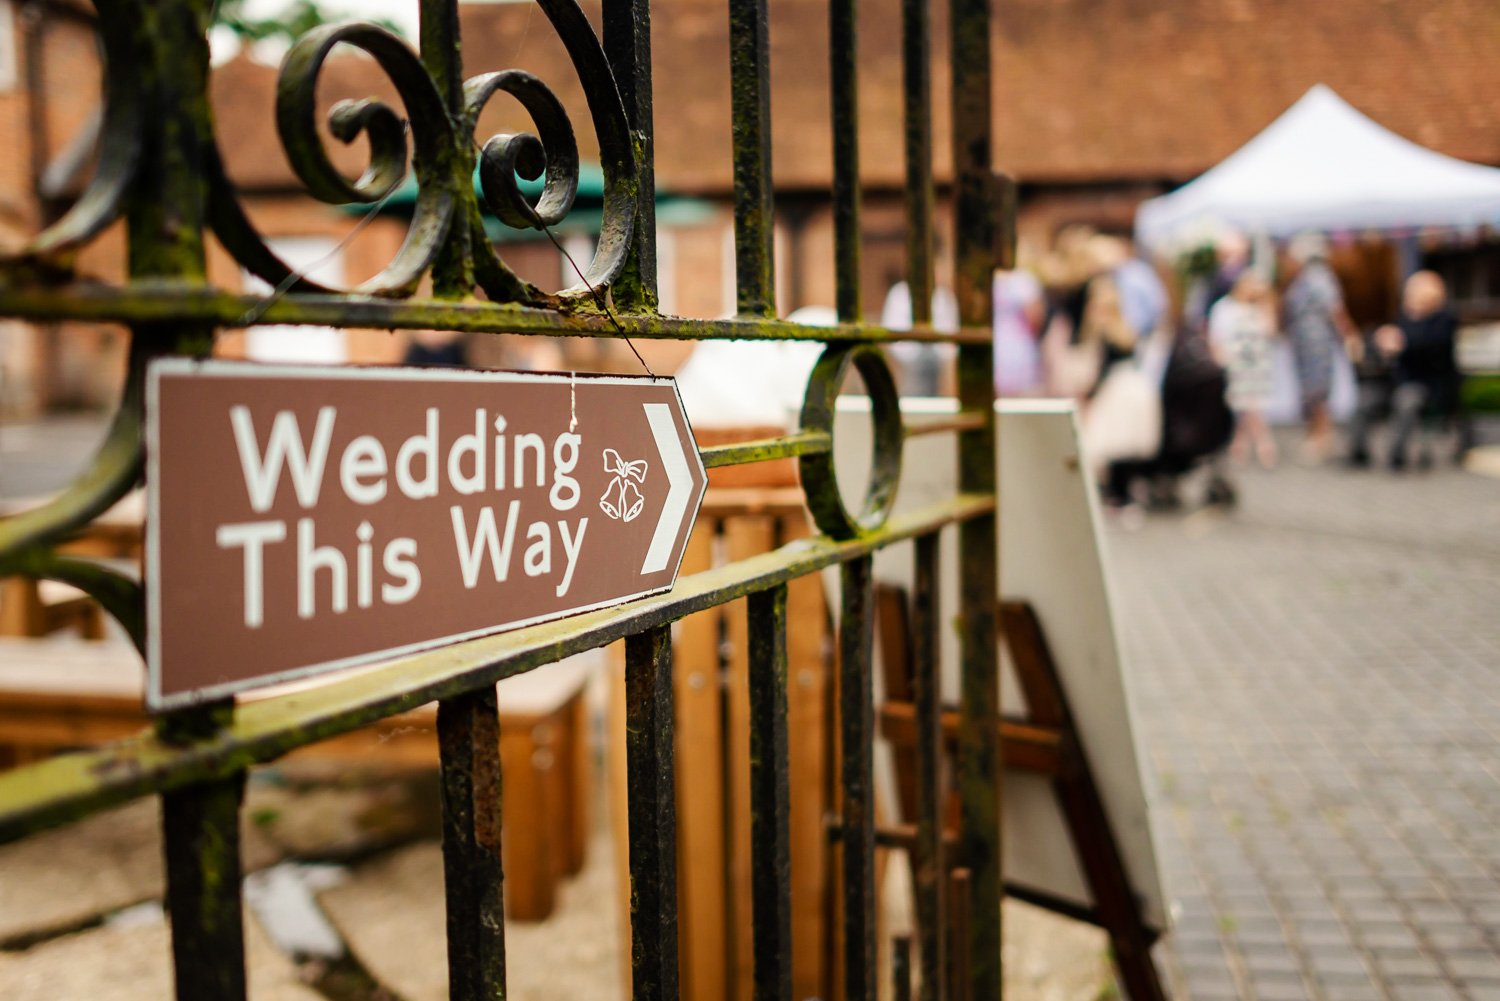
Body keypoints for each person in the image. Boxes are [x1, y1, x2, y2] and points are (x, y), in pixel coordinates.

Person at [1281, 233, 1355, 462]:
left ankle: (1323, 436)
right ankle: (1315, 433)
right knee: (1309, 389)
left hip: (1317, 341)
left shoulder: (1319, 277)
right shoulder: (1302, 278)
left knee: (1318, 388)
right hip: (1304, 341)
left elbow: (1335, 309)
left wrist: (1349, 334)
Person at [1385, 270, 1460, 470]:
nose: (1410, 295)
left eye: (1415, 290)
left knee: (1407, 399)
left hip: (1431, 385)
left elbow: (1433, 347)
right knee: (1366, 399)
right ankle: (1359, 454)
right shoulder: (1403, 319)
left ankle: (1397, 454)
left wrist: (1402, 343)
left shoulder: (1443, 320)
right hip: (1397, 382)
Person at [1207, 270, 1278, 468]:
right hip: (1235, 363)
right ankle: (1264, 445)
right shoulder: (1224, 308)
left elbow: (1270, 331)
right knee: (1247, 406)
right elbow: (1216, 336)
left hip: (1256, 366)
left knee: (1249, 406)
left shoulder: (1259, 308)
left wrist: (1267, 301)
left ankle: (1240, 446)